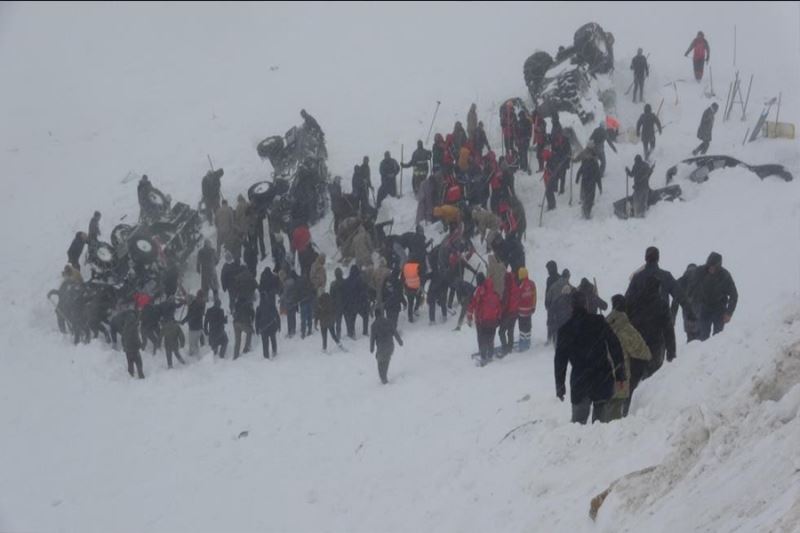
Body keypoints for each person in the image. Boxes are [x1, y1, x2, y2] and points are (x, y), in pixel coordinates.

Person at [554, 292, 625, 424]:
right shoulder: (599, 321)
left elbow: (560, 361)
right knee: (601, 426)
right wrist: (620, 373)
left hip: (580, 381)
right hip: (602, 378)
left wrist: (560, 385)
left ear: (571, 307)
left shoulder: (565, 330)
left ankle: (578, 443)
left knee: (578, 425)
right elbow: (615, 346)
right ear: (586, 305)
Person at [605, 295, 652, 419]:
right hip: (619, 375)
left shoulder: (603, 324)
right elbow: (640, 350)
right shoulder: (625, 328)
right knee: (615, 412)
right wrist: (649, 356)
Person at [694, 252, 738, 341]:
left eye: (713, 267)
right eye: (709, 266)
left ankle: (716, 355)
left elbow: (734, 295)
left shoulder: (725, 276)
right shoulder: (700, 271)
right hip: (704, 309)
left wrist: (729, 313)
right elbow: (691, 286)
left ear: (718, 266)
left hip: (719, 309)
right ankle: (703, 354)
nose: (711, 269)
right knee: (703, 337)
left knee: (717, 338)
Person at [467, 273, 503, 366]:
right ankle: (490, 355)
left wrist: (469, 317)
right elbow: (499, 306)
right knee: (490, 338)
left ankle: (483, 357)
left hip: (482, 321)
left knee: (481, 339)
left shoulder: (478, 291)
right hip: (493, 321)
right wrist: (498, 318)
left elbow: (472, 304)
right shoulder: (494, 291)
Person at [370, 308, 404, 384]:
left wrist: (371, 348)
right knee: (386, 360)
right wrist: (400, 341)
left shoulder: (374, 325)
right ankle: (384, 376)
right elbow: (395, 332)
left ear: (375, 315)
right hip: (390, 345)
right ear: (382, 314)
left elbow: (372, 338)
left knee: (380, 362)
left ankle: (383, 377)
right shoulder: (388, 322)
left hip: (381, 347)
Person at [671, 263, 702, 343]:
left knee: (690, 336)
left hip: (687, 312)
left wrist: (672, 317)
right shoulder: (701, 279)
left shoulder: (681, 281)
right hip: (699, 311)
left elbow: (675, 302)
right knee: (701, 338)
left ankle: (690, 351)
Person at [546, 268, 575, 346]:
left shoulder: (554, 284)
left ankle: (550, 339)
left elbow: (548, 296)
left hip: (553, 307)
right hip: (563, 309)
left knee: (553, 324)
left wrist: (548, 305)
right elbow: (576, 292)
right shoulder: (568, 285)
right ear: (568, 276)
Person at [499, 270, 521, 356]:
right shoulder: (516, 287)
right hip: (515, 313)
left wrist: (500, 312)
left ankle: (505, 349)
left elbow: (505, 304)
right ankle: (510, 347)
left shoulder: (507, 290)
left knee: (501, 332)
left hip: (508, 313)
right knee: (510, 331)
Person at [575, 151, 602, 219]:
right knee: (588, 198)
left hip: (588, 183)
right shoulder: (589, 163)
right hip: (588, 183)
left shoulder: (591, 163)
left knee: (588, 199)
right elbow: (580, 170)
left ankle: (586, 212)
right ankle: (586, 212)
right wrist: (577, 178)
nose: (588, 156)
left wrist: (600, 186)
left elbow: (598, 176)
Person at [121, 312, 145, 379]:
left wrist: (124, 347)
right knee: (139, 362)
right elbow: (136, 339)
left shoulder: (125, 327)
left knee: (130, 363)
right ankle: (141, 375)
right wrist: (141, 345)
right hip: (134, 349)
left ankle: (130, 376)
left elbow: (122, 339)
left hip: (127, 350)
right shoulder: (134, 329)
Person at [182, 291, 206, 356]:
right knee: (195, 343)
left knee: (192, 343)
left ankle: (192, 356)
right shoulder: (200, 303)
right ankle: (198, 355)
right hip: (199, 326)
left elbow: (189, 315)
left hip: (193, 328)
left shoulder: (193, 305)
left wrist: (183, 321)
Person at [515, 110, 532, 174]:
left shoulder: (527, 122)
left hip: (525, 140)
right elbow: (516, 132)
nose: (520, 117)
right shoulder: (518, 122)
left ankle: (525, 166)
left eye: (521, 116)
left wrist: (527, 138)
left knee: (524, 153)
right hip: (519, 140)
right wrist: (516, 139)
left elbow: (529, 131)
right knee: (520, 153)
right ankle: (522, 166)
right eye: (520, 116)